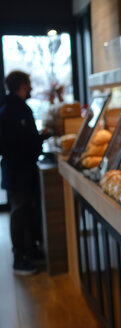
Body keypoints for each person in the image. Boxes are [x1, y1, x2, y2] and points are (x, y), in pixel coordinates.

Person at [0, 70, 46, 275]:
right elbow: (13, 142)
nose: (30, 88)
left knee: (28, 211)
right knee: (20, 212)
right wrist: (37, 141)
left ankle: (30, 250)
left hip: (23, 169)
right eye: (28, 84)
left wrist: (38, 139)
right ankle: (19, 258)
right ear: (22, 85)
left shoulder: (16, 108)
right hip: (18, 171)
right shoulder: (10, 110)